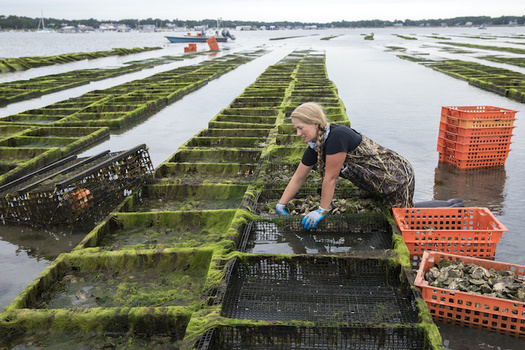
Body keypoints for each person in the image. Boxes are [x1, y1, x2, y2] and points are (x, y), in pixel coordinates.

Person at [276, 102, 415, 229]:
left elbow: (331, 178)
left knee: (402, 225)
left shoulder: (337, 137)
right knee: (390, 220)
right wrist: (281, 204)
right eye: (296, 129)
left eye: (300, 128)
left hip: (396, 177)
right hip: (377, 182)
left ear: (315, 123)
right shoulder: (315, 146)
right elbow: (298, 177)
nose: (298, 133)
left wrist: (321, 211)